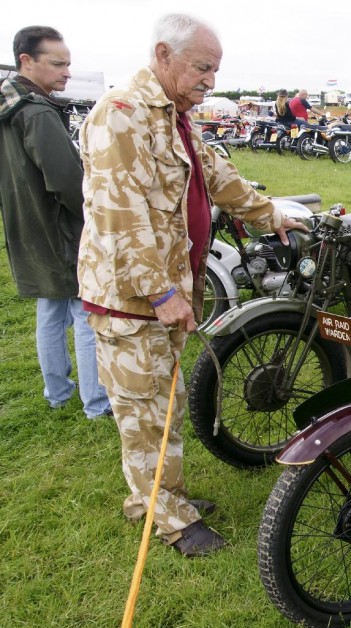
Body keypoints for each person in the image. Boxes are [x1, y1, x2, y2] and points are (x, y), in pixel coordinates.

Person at [77, 13, 309, 557]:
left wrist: (269, 211)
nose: (211, 80)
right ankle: (172, 520)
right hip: (131, 301)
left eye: (216, 69)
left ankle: (157, 496)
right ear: (163, 55)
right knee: (144, 411)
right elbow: (120, 215)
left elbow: (216, 176)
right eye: (203, 67)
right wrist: (159, 292)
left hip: (165, 291)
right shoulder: (122, 115)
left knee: (165, 403)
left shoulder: (176, 117)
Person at [0, 26, 111, 420]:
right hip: (59, 230)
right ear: (27, 61)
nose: (67, 72)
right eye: (58, 63)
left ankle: (57, 393)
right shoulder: (36, 111)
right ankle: (96, 402)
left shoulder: (9, 107)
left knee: (49, 310)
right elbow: (66, 181)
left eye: (68, 64)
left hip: (26, 226)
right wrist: (94, 217)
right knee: (85, 311)